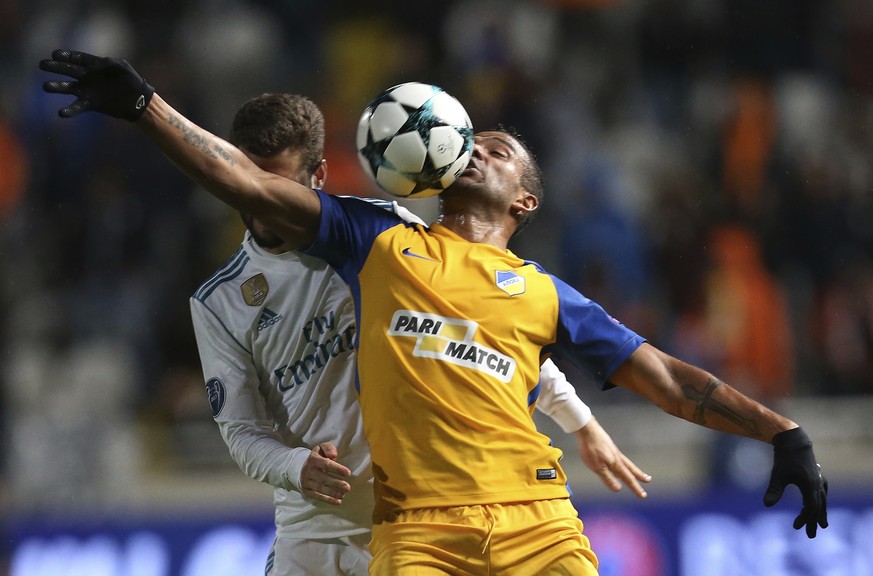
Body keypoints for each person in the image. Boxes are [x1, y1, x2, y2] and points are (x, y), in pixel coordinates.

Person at [40, 50, 828, 575]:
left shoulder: (543, 292)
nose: (478, 146)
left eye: (500, 148)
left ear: (523, 198)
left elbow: (663, 377)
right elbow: (246, 187)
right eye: (473, 139)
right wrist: (145, 106)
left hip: (537, 516)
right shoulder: (377, 239)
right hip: (414, 529)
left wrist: (780, 431)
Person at [190, 92, 651, 576]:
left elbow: (491, 335)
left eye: (274, 183)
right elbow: (242, 431)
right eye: (247, 183)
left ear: (318, 177)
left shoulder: (380, 237)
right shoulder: (219, 301)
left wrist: (581, 421)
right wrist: (294, 466)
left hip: (418, 522)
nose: (260, 199)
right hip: (313, 533)